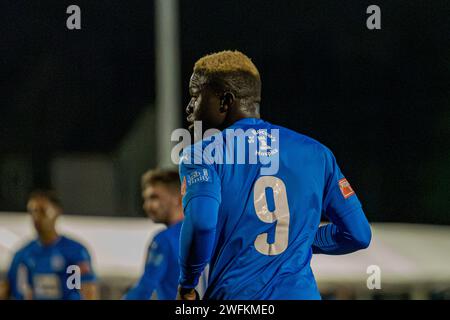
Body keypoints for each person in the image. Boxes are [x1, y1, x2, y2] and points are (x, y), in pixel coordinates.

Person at [177, 50, 372, 300]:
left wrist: (188, 284)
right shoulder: (317, 153)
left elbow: (202, 224)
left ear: (225, 101)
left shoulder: (201, 155)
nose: (189, 107)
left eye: (195, 96)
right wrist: (300, 239)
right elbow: (358, 234)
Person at [2, 190, 97, 300]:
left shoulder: (75, 252)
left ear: (57, 212)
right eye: (33, 212)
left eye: (43, 211)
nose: (37, 217)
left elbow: (88, 290)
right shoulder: (22, 255)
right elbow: (7, 287)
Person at [123, 169, 185, 300]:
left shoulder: (164, 240)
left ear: (177, 199)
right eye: (145, 199)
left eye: (154, 198)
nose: (146, 206)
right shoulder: (213, 235)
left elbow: (145, 287)